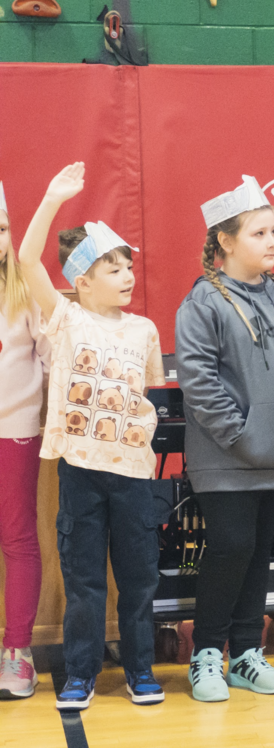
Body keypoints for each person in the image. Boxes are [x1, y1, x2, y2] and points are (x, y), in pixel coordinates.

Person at [18, 163, 166, 710]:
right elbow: (27, 261)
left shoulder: (143, 329)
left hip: (133, 474)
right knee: (84, 581)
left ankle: (141, 670)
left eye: (129, 265)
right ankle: (79, 674)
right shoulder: (66, 319)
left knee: (138, 577)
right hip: (80, 470)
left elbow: (150, 392)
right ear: (82, 280)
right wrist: (54, 197)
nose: (127, 275)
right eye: (111, 267)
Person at [176, 176, 274, 702]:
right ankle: (208, 653)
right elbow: (198, 379)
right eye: (260, 232)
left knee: (260, 549)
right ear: (225, 242)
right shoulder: (204, 303)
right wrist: (238, 434)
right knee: (231, 547)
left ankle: (246, 651)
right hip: (228, 457)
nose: (272, 241)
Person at [0, 181, 50, 700]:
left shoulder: (23, 292)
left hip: (12, 433)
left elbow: (53, 352)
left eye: (3, 229)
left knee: (17, 539)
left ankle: (17, 651)